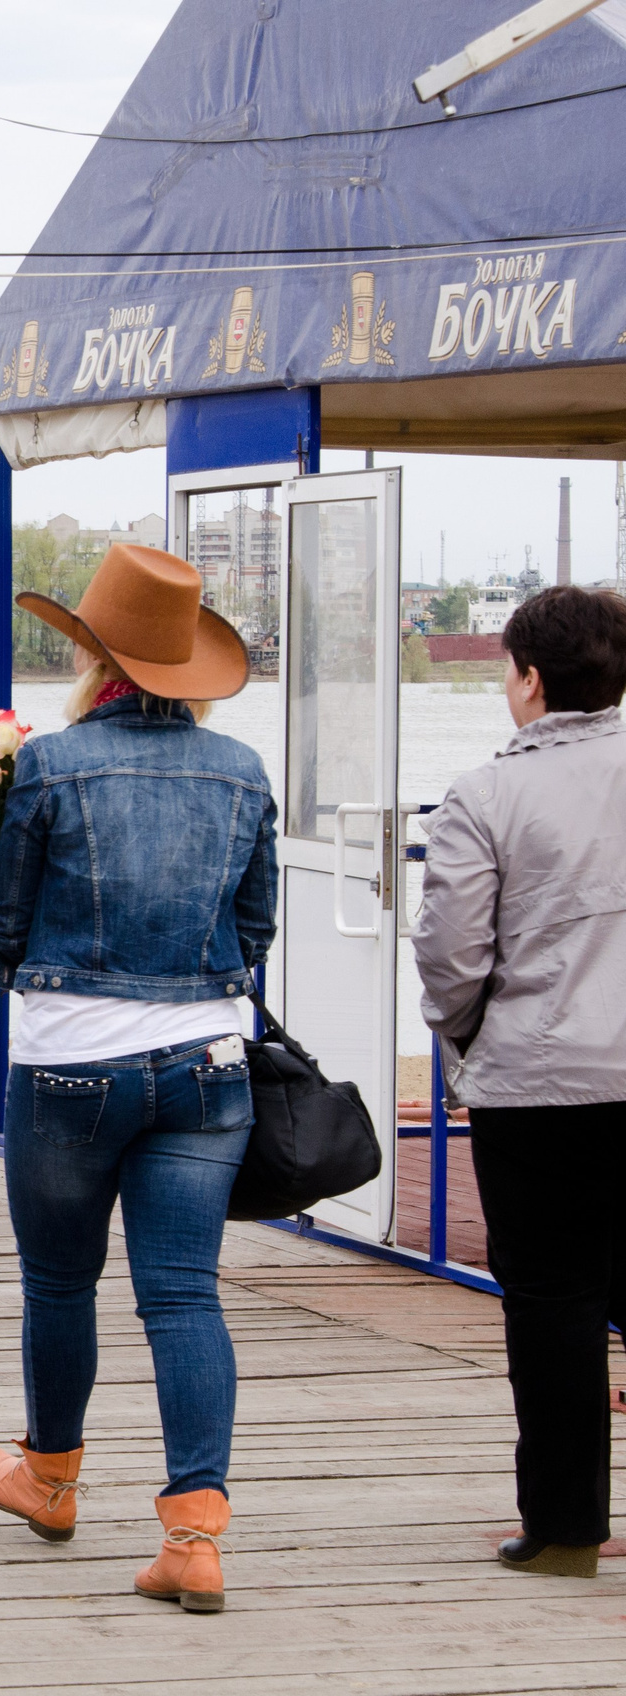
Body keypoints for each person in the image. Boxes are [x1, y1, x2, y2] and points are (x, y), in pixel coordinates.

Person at [0, 543, 276, 1615]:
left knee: (60, 1283)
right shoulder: (240, 770)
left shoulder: (50, 765)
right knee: (181, 1291)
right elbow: (254, 926)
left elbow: (4, 921)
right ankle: (193, 1537)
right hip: (205, 1065)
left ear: (94, 659)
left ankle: (51, 1482)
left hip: (69, 1065)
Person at [410, 583, 626, 1579]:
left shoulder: (484, 796)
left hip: (536, 1089)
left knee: (551, 1302)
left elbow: (451, 956)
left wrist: (466, 1038)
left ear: (531, 680)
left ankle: (565, 1529)